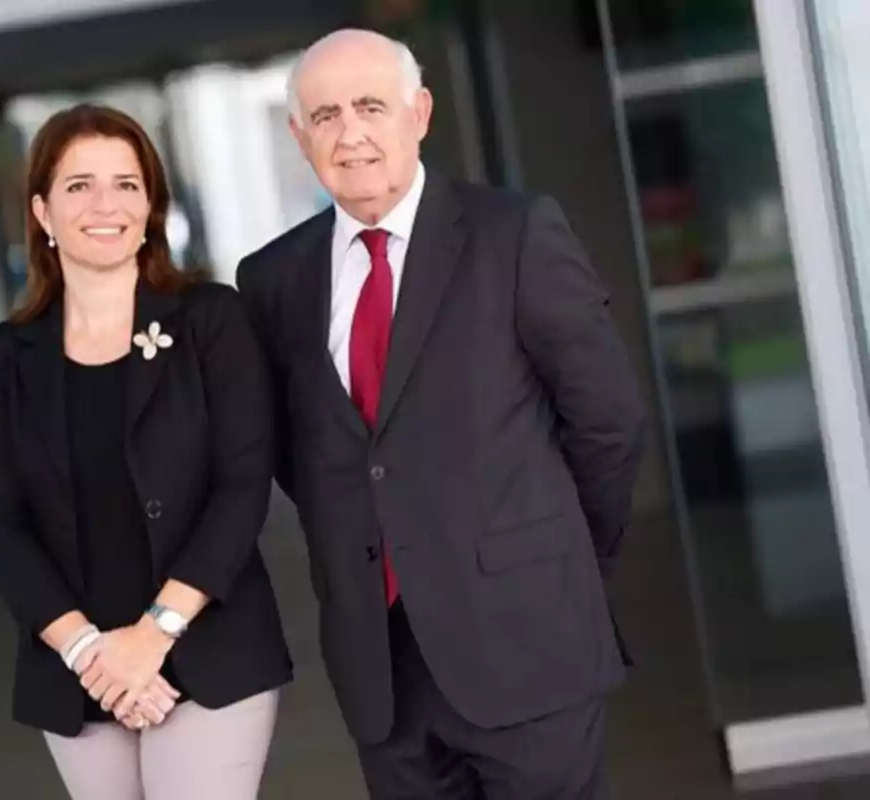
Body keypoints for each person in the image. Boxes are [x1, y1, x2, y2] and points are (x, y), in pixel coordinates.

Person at [237, 29, 646, 799]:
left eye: (370, 106)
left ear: (419, 114)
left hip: (529, 642)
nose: (349, 133)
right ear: (298, 137)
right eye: (324, 116)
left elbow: (609, 423)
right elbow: (307, 455)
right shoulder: (271, 281)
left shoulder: (515, 235)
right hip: (382, 670)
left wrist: (557, 565)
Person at [0, 104, 291, 800]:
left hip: (206, 648)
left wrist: (152, 636)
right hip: (75, 668)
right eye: (79, 185)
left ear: (150, 206)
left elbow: (243, 487)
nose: (105, 204)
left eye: (126, 184)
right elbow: (3, 525)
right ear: (43, 212)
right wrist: (92, 654)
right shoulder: (5, 358)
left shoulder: (211, 319)